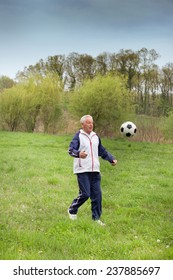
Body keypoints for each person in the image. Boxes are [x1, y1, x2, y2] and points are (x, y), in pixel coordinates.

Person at [68, 115, 117, 226]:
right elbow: (70, 150)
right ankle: (72, 209)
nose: (91, 125)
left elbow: (102, 151)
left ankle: (96, 219)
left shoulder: (95, 137)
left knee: (97, 195)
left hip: (95, 170)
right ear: (83, 125)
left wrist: (111, 159)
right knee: (85, 194)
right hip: (82, 170)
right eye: (88, 123)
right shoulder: (78, 136)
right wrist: (78, 154)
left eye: (92, 123)